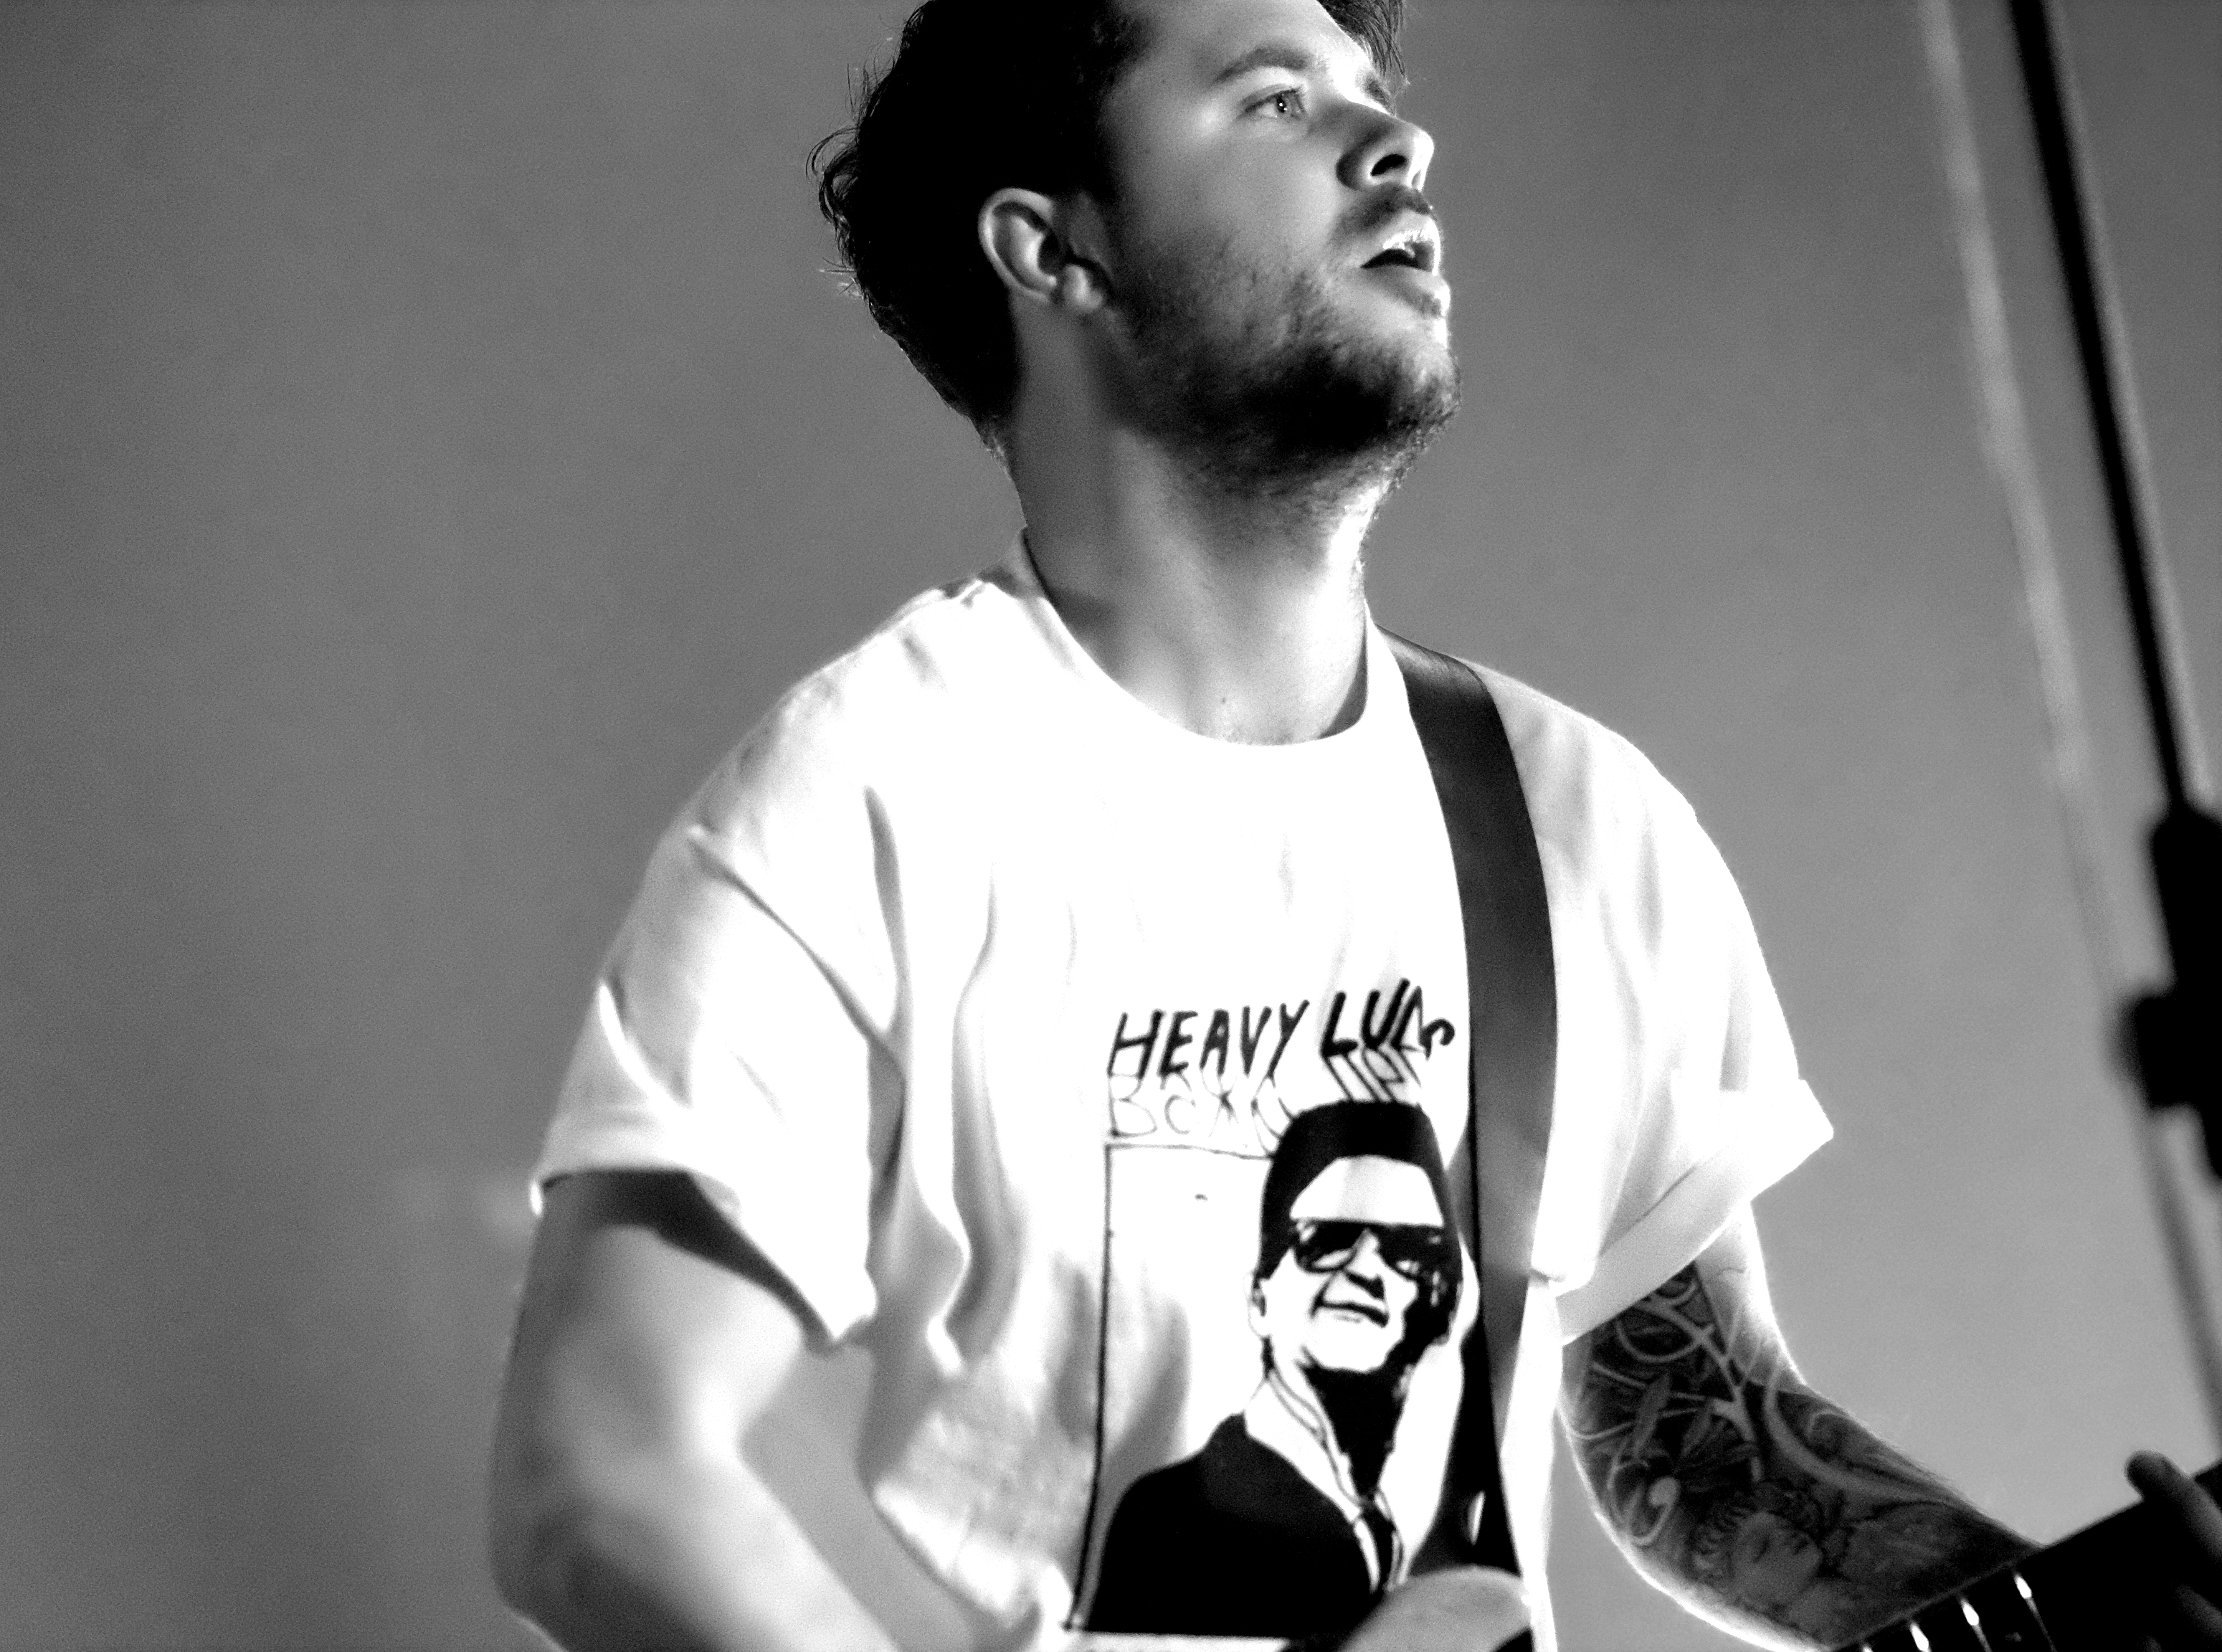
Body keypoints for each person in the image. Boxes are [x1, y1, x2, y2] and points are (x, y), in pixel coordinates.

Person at [486, 0, 2222, 1647]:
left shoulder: (1570, 822)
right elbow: (602, 1480)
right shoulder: (877, 796)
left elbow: (1709, 1455)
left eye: (1373, 96)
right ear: (1052, 250)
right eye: (1273, 98)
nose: (1395, 142)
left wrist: (2099, 1614)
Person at [1085, 1101, 1466, 1637]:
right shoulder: (1168, 1519)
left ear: (1443, 1304)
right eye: (1325, 1241)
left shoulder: (1385, 1519)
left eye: (1407, 1250)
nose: (1365, 1269)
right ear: (1259, 1297)